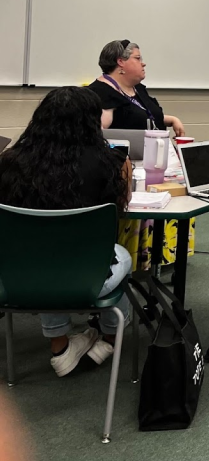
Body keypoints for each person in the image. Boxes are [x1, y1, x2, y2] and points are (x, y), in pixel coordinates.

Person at [0, 87, 133, 377]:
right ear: (91, 121)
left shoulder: (8, 163)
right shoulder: (112, 164)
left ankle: (60, 346)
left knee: (43, 250)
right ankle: (109, 339)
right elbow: (122, 209)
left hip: (17, 276)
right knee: (122, 257)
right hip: (90, 278)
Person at [87, 39, 194, 274]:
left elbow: (147, 116)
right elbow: (100, 129)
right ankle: (139, 258)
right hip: (128, 166)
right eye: (137, 58)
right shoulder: (102, 93)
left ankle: (162, 254)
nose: (143, 63)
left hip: (157, 159)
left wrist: (172, 119)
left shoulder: (137, 89)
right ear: (120, 63)